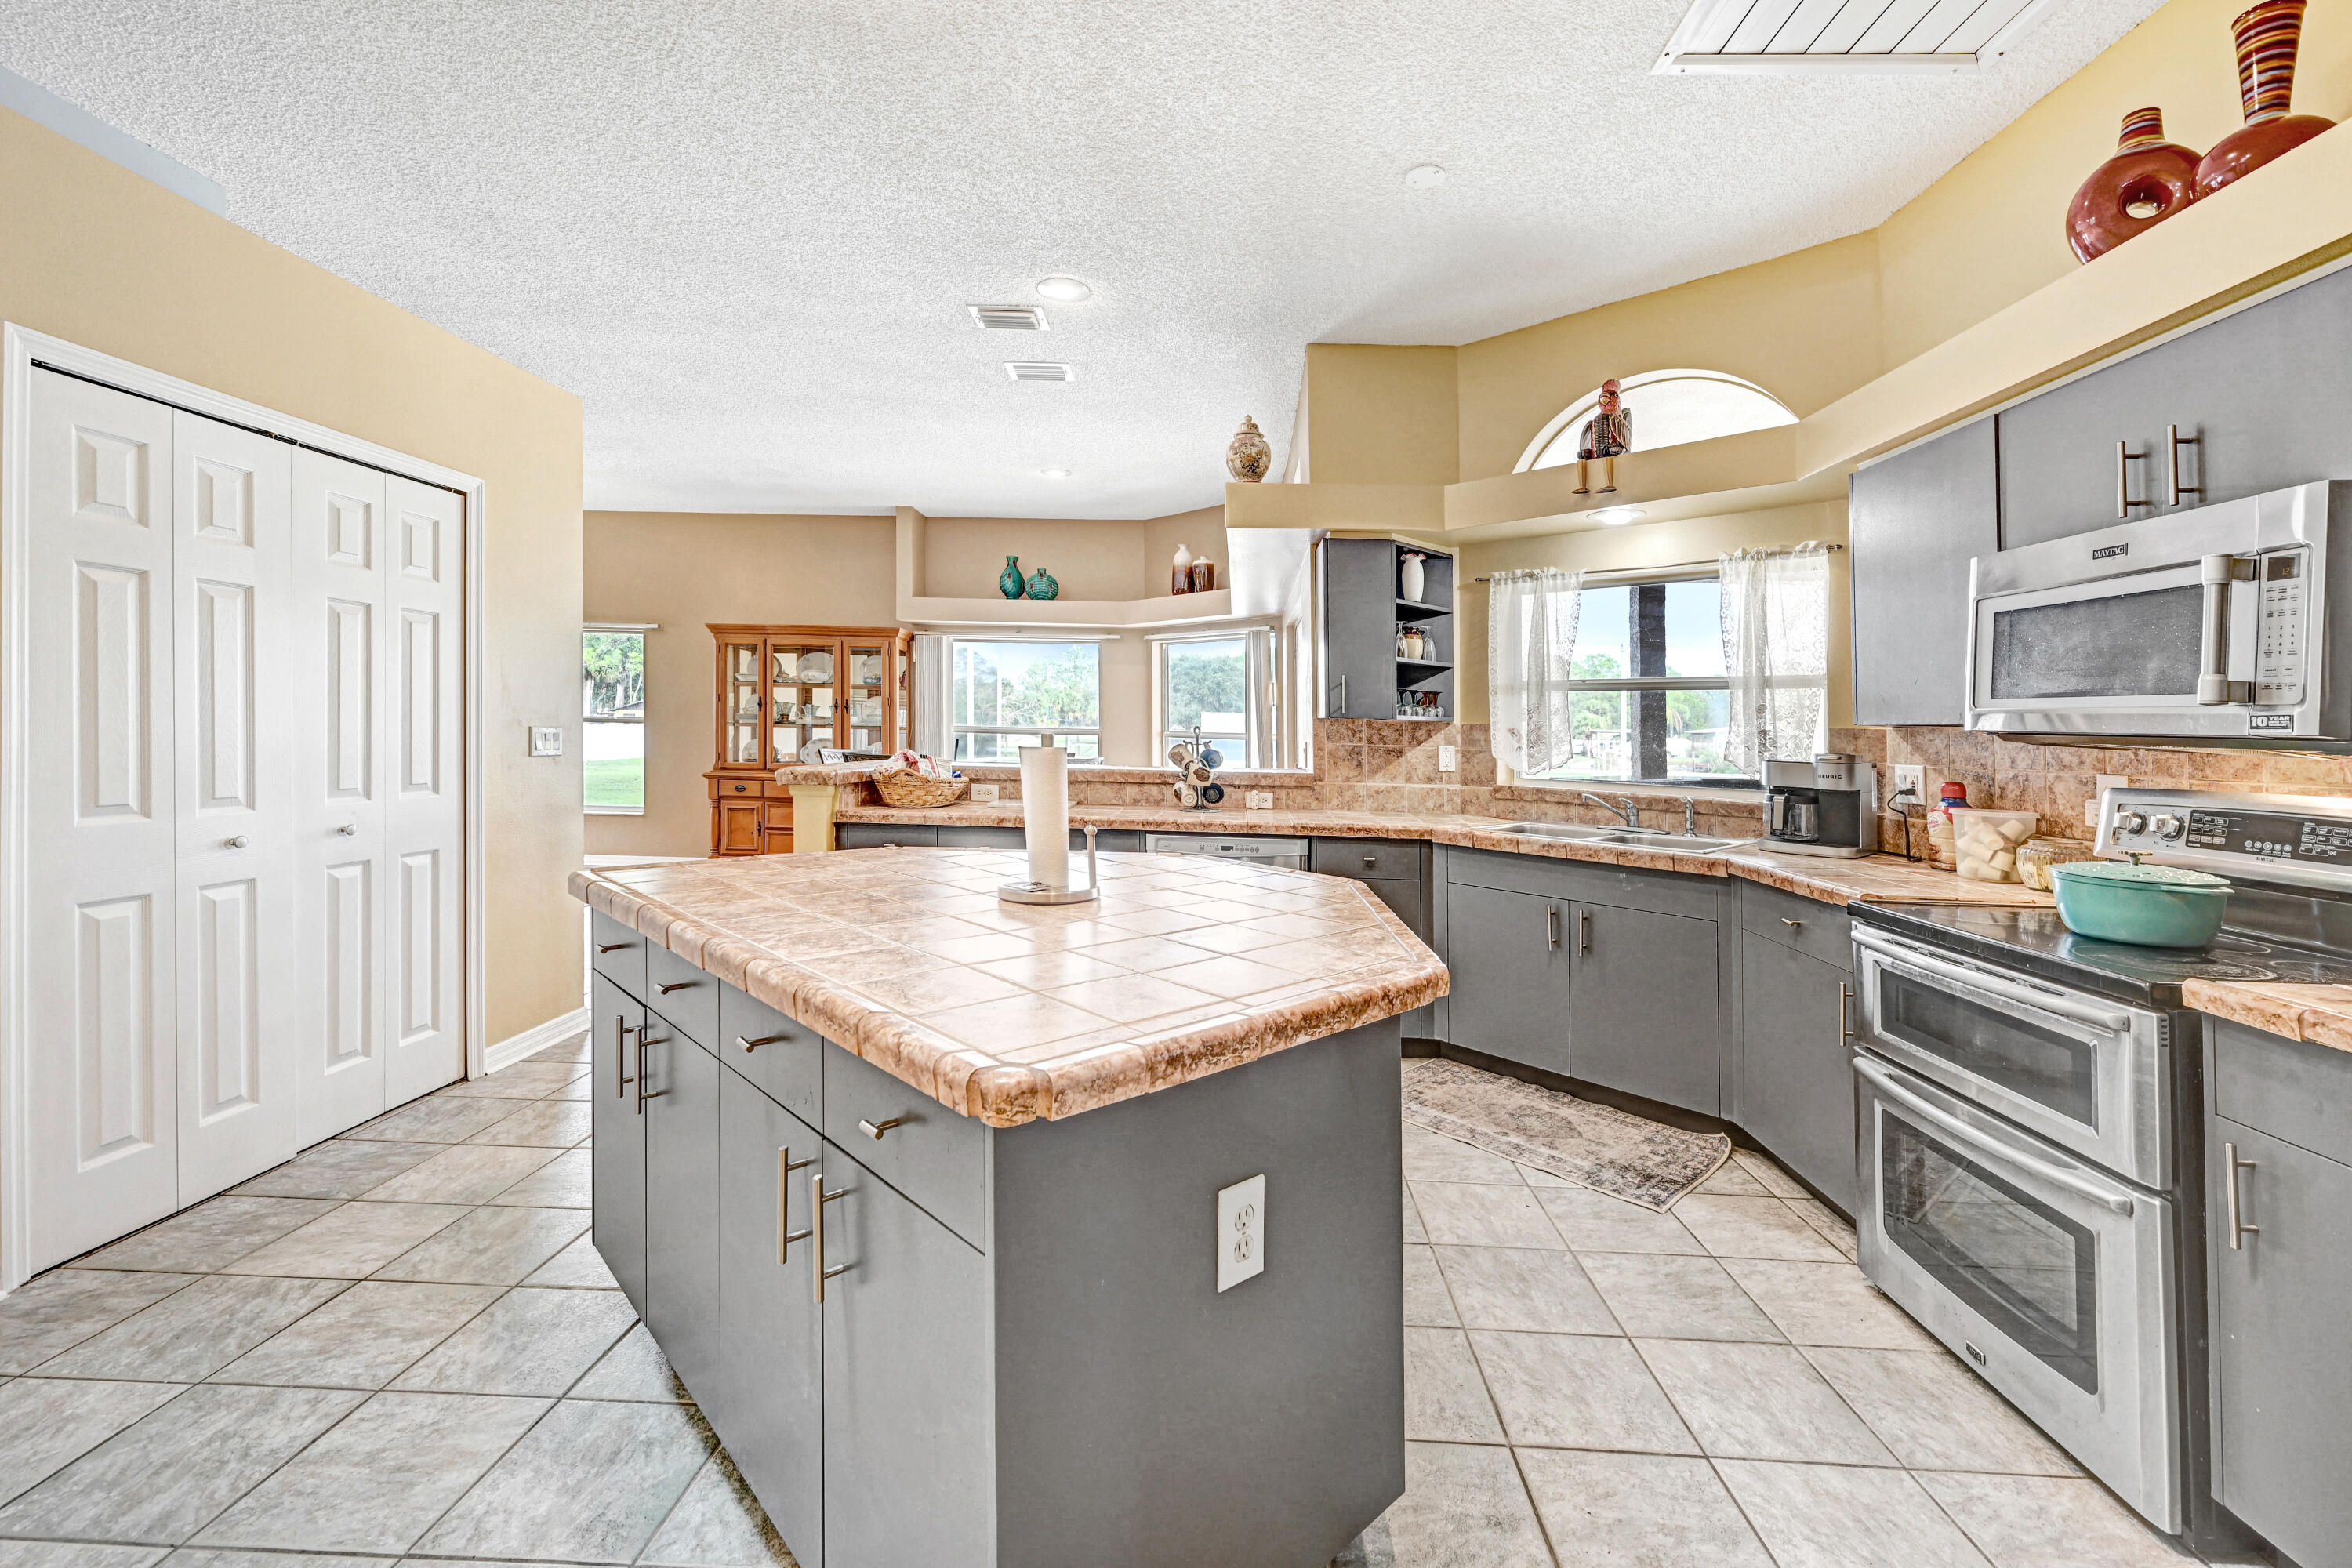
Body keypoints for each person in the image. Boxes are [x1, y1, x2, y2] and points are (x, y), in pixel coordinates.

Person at [1574, 378, 1632, 495]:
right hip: (1597, 457)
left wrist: (1613, 449)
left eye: (1613, 395)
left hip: (1610, 455)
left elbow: (1622, 448)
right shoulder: (1593, 422)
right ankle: (1583, 486)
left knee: (1607, 456)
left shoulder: (1617, 419)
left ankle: (1610, 483)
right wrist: (1586, 453)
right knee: (1581, 459)